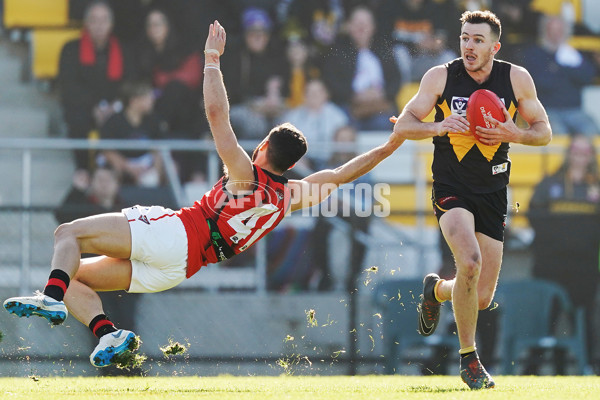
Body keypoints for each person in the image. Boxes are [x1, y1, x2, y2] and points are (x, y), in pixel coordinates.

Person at [3, 20, 403, 369]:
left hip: (176, 234)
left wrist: (212, 59)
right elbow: (342, 173)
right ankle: (107, 333)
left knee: (66, 235)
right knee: (69, 274)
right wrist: (390, 145)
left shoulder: (246, 173)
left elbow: (217, 116)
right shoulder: (292, 196)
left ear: (263, 146)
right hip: (179, 269)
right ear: (293, 166)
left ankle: (51, 300)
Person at [392, 10, 552, 389]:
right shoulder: (441, 76)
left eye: (478, 40)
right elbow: (403, 123)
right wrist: (438, 126)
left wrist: (515, 133)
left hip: (494, 192)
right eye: (465, 38)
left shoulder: (515, 78)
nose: (469, 45)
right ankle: (469, 358)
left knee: (479, 296)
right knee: (470, 260)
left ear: (494, 46)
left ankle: (436, 290)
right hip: (451, 186)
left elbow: (544, 133)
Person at [527, 134, 600, 374]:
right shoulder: (549, 184)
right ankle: (535, 368)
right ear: (568, 154)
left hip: (585, 266)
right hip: (551, 265)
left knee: (585, 317)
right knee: (547, 317)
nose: (580, 156)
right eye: (576, 151)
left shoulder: (597, 186)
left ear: (592, 156)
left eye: (585, 151)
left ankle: (588, 365)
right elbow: (532, 215)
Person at [58, 0, 135, 170]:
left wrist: (114, 106)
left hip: (116, 109)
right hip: (85, 110)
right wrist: (95, 108)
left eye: (104, 20)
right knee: (76, 120)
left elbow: (130, 85)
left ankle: (117, 173)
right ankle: (83, 170)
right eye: (94, 20)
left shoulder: (124, 51)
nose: (99, 25)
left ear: (111, 24)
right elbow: (69, 87)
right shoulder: (70, 49)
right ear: (86, 23)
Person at [521, 13, 599, 137]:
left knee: (592, 130)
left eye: (560, 31)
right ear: (545, 31)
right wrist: (569, 70)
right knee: (557, 133)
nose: (556, 35)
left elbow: (587, 77)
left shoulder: (572, 53)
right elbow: (541, 83)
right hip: (548, 110)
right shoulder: (534, 54)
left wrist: (558, 69)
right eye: (552, 30)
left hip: (575, 110)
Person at [98, 81, 166, 187]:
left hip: (145, 164)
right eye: (147, 97)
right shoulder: (114, 121)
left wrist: (154, 170)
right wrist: (129, 167)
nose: (152, 100)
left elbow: (158, 150)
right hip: (122, 164)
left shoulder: (153, 121)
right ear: (134, 101)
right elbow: (107, 151)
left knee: (169, 169)